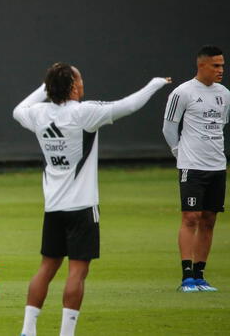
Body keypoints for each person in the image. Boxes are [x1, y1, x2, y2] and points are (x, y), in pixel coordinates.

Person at [13, 63, 170, 336]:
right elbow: (128, 105)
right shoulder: (84, 113)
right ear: (73, 86)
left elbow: (17, 111)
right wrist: (155, 84)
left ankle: (28, 330)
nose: (83, 83)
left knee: (47, 267)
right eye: (80, 79)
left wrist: (45, 88)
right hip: (82, 208)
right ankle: (66, 333)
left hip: (53, 208)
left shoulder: (38, 114)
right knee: (77, 272)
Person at [162, 45, 228, 293]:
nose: (221, 70)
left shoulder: (224, 94)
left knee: (210, 220)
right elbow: (169, 128)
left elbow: (222, 123)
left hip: (217, 166)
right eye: (216, 65)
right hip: (191, 166)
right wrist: (179, 153)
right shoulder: (183, 93)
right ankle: (187, 275)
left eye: (222, 65)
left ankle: (201, 275)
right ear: (202, 66)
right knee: (191, 217)